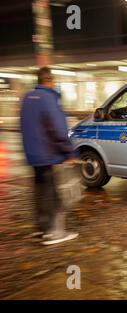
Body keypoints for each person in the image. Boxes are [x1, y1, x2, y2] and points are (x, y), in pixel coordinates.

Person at [20, 67, 79, 245]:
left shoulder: (27, 99)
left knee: (40, 192)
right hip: (48, 154)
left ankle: (42, 229)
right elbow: (58, 130)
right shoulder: (49, 99)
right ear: (50, 80)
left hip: (33, 155)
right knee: (52, 194)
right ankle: (55, 233)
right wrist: (69, 152)